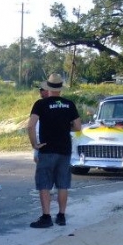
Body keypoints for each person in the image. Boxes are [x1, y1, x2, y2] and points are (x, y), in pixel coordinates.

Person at [27, 73, 81, 228]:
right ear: (60, 89)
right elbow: (78, 127)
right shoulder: (69, 104)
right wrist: (65, 126)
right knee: (63, 184)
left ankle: (46, 217)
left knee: (44, 184)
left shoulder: (41, 104)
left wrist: (34, 144)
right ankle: (62, 215)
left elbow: (30, 126)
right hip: (64, 150)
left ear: (47, 88)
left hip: (47, 149)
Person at [33, 82, 49, 163]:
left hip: (47, 144)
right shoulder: (39, 104)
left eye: (42, 89)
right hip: (39, 142)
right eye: (40, 90)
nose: (40, 92)